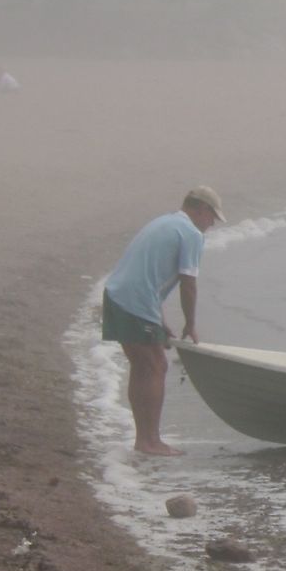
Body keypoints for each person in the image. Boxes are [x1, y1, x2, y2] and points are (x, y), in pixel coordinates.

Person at [101, 187, 225, 456]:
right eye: (212, 216)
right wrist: (190, 324)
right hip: (134, 301)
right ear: (200, 209)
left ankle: (143, 439)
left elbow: (147, 272)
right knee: (156, 366)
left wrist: (158, 319)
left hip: (116, 294)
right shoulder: (191, 233)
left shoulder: (165, 221)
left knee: (144, 365)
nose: (212, 223)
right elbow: (188, 283)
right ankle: (150, 441)